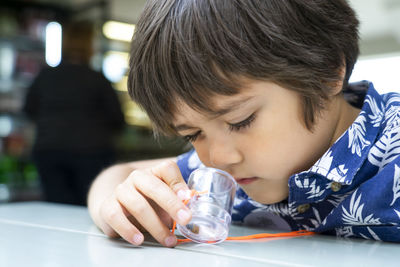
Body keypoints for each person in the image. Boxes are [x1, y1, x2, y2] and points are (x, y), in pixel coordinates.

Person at [87, 0, 400, 247]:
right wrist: (114, 206)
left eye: (240, 121)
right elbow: (120, 173)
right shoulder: (222, 169)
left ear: (327, 72)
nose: (219, 159)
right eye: (193, 134)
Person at [24, 20, 125, 205]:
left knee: (55, 208)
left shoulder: (46, 76)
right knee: (88, 209)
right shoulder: (98, 79)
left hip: (49, 150)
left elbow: (29, 109)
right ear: (90, 45)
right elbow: (117, 119)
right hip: (91, 153)